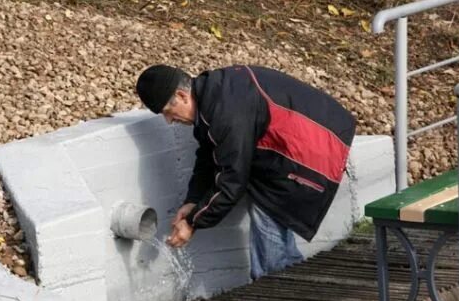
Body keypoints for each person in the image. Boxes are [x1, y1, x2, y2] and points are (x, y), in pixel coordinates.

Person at [135, 64, 356, 280]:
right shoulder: (213, 95)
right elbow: (210, 155)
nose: (169, 120)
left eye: (168, 112)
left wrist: (193, 222)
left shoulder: (225, 113)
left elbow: (231, 182)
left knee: (269, 215)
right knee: (271, 224)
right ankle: (285, 285)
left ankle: (277, 293)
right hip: (310, 138)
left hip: (315, 146)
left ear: (182, 96)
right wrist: (193, 200)